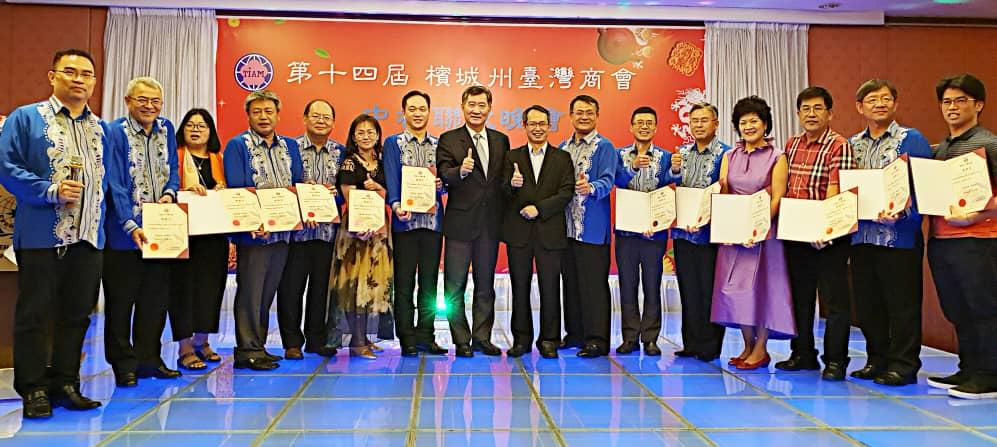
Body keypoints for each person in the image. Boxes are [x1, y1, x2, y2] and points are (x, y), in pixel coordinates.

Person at [0, 48, 108, 419]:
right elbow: (6, 166)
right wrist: (50, 190)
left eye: (86, 74)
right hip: (40, 237)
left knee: (77, 315)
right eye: (70, 71)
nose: (79, 79)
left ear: (94, 82)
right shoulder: (26, 118)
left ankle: (66, 383)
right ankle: (32, 388)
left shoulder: (101, 129)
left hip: (88, 238)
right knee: (35, 314)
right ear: (52, 76)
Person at [848, 79, 933, 386]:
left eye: (885, 98)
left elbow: (925, 185)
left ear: (895, 104)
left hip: (899, 238)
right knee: (868, 304)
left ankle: (904, 365)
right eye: (872, 100)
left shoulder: (911, 139)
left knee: (902, 306)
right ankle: (876, 359)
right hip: (861, 238)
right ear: (860, 107)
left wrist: (902, 215)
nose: (879, 104)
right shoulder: (852, 144)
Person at [774, 86, 856, 381]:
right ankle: (803, 354)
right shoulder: (792, 144)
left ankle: (835, 360)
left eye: (818, 108)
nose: (811, 114)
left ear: (830, 113)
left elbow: (837, 192)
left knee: (834, 301)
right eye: (806, 109)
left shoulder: (839, 145)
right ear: (798, 114)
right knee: (800, 297)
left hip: (829, 235)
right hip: (796, 233)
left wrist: (825, 227)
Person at [103, 76, 181, 386]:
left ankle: (150, 358)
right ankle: (124, 363)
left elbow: (173, 168)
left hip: (161, 232)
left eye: (155, 101)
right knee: (121, 302)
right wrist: (129, 223)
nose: (149, 106)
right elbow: (114, 182)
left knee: (155, 300)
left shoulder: (167, 129)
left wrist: (170, 194)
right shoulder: (114, 132)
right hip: (123, 235)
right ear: (128, 101)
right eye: (142, 100)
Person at [925, 73, 997, 400]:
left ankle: (989, 376)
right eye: (946, 102)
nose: (952, 107)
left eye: (960, 101)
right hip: (942, 241)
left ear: (978, 105)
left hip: (979, 240)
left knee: (983, 308)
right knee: (957, 308)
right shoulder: (941, 149)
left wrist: (977, 215)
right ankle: (968, 368)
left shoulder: (989, 144)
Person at [711, 96, 795, 370]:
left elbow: (778, 197)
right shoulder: (729, 156)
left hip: (763, 235)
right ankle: (747, 344)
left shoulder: (777, 157)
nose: (748, 126)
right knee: (736, 290)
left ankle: (761, 349)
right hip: (733, 234)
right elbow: (724, 192)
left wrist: (757, 226)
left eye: (754, 121)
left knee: (762, 289)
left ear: (765, 124)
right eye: (743, 122)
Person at [223, 90, 303, 370]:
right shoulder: (238, 146)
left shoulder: (289, 146)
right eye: (257, 111)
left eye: (269, 111)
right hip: (254, 234)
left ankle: (259, 345)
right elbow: (236, 188)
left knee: (267, 292)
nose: (263, 117)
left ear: (278, 115)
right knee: (251, 291)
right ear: (248, 115)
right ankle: (247, 350)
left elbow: (296, 184)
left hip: (283, 232)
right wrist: (253, 221)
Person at [436, 85, 510, 357]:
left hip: (489, 225)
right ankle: (461, 339)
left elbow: (502, 180)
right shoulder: (448, 139)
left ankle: (482, 337)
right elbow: (443, 173)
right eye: (472, 105)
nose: (477, 110)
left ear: (490, 108)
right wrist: (460, 171)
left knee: (485, 284)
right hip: (460, 223)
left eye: (482, 105)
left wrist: (513, 183)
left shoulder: (500, 140)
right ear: (462, 107)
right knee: (455, 285)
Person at [501, 105, 574, 359]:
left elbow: (566, 192)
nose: (538, 128)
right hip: (519, 233)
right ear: (524, 126)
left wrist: (539, 209)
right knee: (519, 287)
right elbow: (501, 192)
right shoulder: (511, 157)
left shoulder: (562, 158)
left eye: (542, 123)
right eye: (532, 124)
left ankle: (549, 340)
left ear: (549, 126)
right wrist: (511, 185)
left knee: (550, 287)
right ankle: (521, 340)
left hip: (550, 232)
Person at [275, 99, 343, 360]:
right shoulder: (289, 149)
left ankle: (316, 339)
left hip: (327, 233)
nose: (321, 121)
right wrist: (301, 201)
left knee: (321, 289)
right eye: (316, 116)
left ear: (333, 123)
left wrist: (336, 195)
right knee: (291, 289)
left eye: (327, 117)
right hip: (297, 233)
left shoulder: (340, 152)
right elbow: (284, 186)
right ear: (304, 119)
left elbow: (346, 191)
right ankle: (292, 342)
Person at [612, 106, 680, 356]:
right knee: (627, 285)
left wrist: (675, 170)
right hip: (627, 233)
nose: (644, 126)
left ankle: (650, 338)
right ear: (631, 127)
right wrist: (632, 167)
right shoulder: (619, 155)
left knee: (652, 284)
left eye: (649, 123)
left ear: (655, 127)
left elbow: (671, 185)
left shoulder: (666, 157)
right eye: (639, 122)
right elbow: (616, 180)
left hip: (654, 234)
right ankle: (629, 337)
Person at [384, 90, 447, 357]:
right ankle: (407, 337)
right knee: (404, 282)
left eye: (422, 109)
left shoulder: (439, 144)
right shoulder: (393, 143)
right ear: (404, 112)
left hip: (433, 224)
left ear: (429, 112)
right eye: (412, 109)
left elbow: (446, 180)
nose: (418, 114)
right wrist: (396, 204)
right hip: (405, 224)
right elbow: (390, 176)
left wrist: (442, 185)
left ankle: (426, 335)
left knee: (430, 283)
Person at [169, 108, 229, 371]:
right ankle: (184, 347)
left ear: (210, 132)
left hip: (214, 236)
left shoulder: (219, 160)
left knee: (211, 289)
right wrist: (184, 191)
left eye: (202, 126)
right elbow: (167, 189)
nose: (196, 130)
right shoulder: (175, 157)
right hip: (183, 235)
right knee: (183, 291)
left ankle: (202, 341)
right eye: (190, 125)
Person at [671, 102, 730, 362]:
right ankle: (691, 342)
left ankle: (710, 345)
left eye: (704, 120)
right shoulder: (682, 153)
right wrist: (673, 171)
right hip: (683, 234)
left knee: (709, 290)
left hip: (710, 234)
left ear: (716, 123)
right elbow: (671, 185)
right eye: (694, 120)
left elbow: (726, 191)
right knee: (688, 289)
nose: (698, 125)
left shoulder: (726, 154)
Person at [559, 94, 617, 358]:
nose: (584, 117)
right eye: (579, 112)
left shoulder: (605, 147)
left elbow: (608, 179)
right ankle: (574, 334)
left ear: (597, 116)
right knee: (570, 283)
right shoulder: (563, 148)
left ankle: (597, 340)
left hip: (592, 229)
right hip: (566, 229)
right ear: (571, 116)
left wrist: (591, 187)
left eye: (589, 112)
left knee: (594, 286)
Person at [332, 114, 392, 359]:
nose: (366, 136)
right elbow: (348, 196)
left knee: (371, 284)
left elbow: (390, 193)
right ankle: (356, 342)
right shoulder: (349, 163)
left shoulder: (382, 161)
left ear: (378, 136)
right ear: (353, 137)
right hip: (355, 231)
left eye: (371, 132)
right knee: (353, 285)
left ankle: (365, 338)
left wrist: (379, 189)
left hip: (378, 229)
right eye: (360, 132)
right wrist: (362, 223)